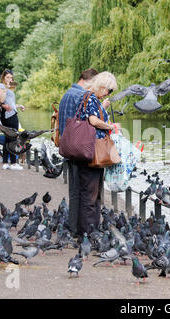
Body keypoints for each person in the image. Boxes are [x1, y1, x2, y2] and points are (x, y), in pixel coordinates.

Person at [76, 71, 117, 238]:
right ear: (102, 86)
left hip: (92, 151)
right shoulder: (91, 97)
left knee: (93, 192)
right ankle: (88, 232)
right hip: (93, 151)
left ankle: (89, 230)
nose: (108, 94)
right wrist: (111, 127)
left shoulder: (90, 98)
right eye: (109, 90)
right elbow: (93, 121)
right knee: (90, 194)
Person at [58, 68, 99, 238]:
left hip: (67, 146)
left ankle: (73, 228)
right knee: (83, 192)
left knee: (74, 191)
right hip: (80, 148)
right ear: (89, 81)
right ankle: (80, 230)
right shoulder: (82, 96)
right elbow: (86, 123)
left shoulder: (67, 94)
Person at [0, 69, 25, 170]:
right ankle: (13, 163)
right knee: (13, 138)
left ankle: (5, 163)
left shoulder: (7, 88)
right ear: (3, 77)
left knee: (8, 139)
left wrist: (19, 106)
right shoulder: (2, 86)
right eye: (7, 77)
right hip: (8, 116)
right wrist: (6, 87)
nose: (9, 79)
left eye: (11, 78)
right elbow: (1, 99)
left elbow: (10, 103)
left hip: (11, 114)